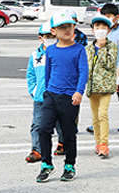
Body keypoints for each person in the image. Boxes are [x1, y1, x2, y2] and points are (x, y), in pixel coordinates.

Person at [36, 12, 89, 182]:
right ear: (53, 31)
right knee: (43, 129)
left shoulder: (79, 49)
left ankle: (69, 165)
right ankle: (46, 164)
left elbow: (83, 72)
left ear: (74, 27)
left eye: (69, 26)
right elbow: (48, 72)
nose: (66, 30)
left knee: (68, 134)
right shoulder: (50, 50)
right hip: (51, 95)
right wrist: (46, 92)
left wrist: (79, 91)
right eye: (62, 27)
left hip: (69, 97)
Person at [26, 20, 63, 163]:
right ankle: (37, 150)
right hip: (41, 97)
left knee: (61, 123)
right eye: (46, 36)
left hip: (59, 96)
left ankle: (62, 143)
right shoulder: (35, 55)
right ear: (40, 38)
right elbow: (30, 74)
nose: (50, 39)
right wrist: (33, 90)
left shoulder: (61, 52)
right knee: (37, 124)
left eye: (52, 36)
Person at [84, 15, 118, 159]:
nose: (100, 30)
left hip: (106, 87)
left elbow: (110, 65)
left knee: (103, 114)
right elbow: (87, 66)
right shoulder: (88, 48)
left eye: (103, 28)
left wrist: (103, 48)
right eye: (97, 27)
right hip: (92, 87)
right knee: (95, 117)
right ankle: (98, 143)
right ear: (92, 30)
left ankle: (104, 143)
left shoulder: (112, 47)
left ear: (108, 31)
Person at [99, 3, 119, 132]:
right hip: (104, 73)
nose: (106, 19)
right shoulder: (102, 32)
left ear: (117, 17)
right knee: (101, 100)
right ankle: (98, 123)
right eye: (104, 16)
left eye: (109, 16)